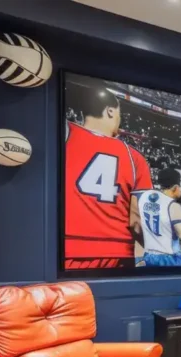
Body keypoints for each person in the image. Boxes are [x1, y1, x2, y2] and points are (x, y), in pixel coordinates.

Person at [64, 86, 152, 270]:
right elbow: (137, 222)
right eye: (120, 115)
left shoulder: (63, 134)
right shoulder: (134, 156)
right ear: (110, 111)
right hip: (118, 253)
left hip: (66, 250)